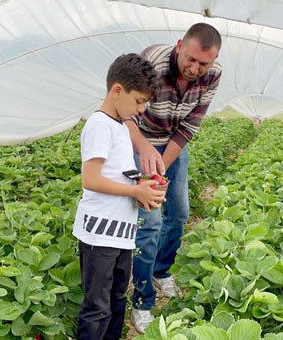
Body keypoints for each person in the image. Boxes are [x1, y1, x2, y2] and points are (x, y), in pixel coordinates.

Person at [127, 22, 222, 333]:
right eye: (190, 59)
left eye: (203, 63)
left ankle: (161, 269)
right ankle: (142, 301)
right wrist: (144, 153)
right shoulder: (152, 64)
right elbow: (125, 113)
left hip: (171, 144)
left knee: (178, 212)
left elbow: (189, 127)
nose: (195, 68)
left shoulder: (213, 75)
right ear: (180, 45)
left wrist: (161, 165)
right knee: (149, 220)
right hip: (138, 138)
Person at [72, 53, 165, 340]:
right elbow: (91, 179)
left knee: (116, 301)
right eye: (139, 101)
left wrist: (142, 187)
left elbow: (116, 174)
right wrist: (135, 190)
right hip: (99, 235)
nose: (141, 109)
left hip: (120, 233)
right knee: (97, 306)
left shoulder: (120, 126)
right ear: (117, 91)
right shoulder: (100, 125)